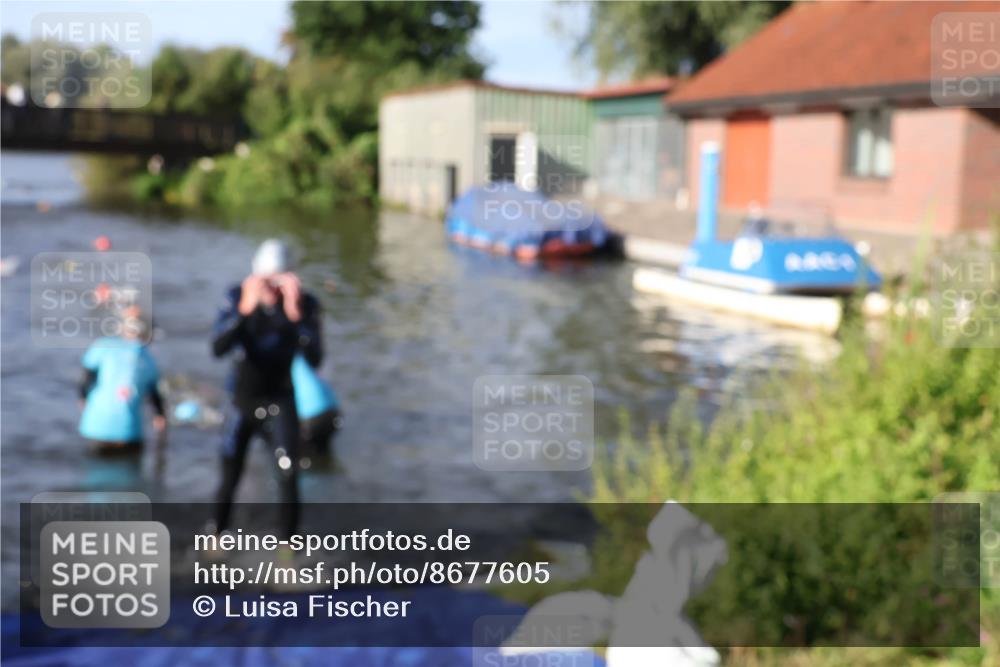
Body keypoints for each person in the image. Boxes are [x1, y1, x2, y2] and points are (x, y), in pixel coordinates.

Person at [211, 239, 322, 539]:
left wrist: (296, 315)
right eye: (267, 281)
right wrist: (245, 311)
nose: (272, 289)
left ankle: (287, 546)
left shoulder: (305, 304)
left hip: (280, 400)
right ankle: (217, 535)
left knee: (288, 472)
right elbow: (218, 348)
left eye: (279, 282)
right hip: (241, 400)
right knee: (230, 474)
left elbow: (315, 358)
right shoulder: (237, 297)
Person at [78, 308, 166, 454]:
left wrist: (82, 398)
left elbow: (86, 377)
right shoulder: (148, 360)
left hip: (95, 428)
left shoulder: (103, 346)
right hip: (129, 433)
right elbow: (155, 397)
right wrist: (159, 416)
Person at [291, 353, 342, 469]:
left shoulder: (277, 358)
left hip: (311, 418)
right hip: (332, 412)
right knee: (323, 454)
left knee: (302, 462)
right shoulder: (301, 354)